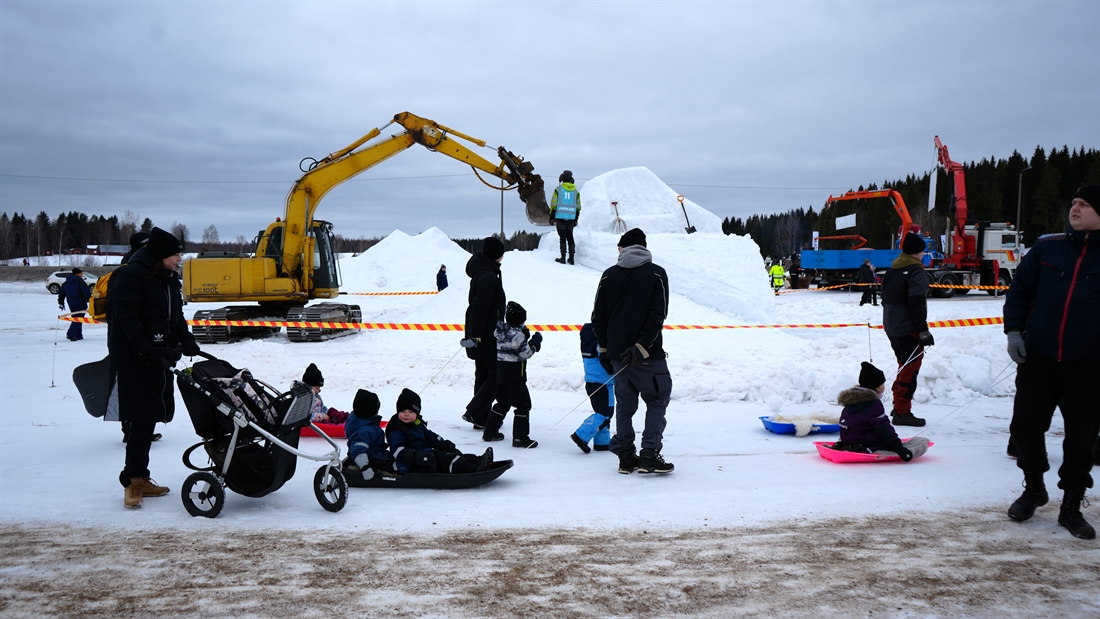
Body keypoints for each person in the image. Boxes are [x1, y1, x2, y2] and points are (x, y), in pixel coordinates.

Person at [1003, 183, 1100, 540]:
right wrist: (1014, 331)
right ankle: (1034, 489)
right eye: (1073, 202)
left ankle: (1072, 505)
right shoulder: (1048, 247)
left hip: (1088, 363)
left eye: (1085, 204)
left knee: (1081, 438)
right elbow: (1019, 291)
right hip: (1039, 357)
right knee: (1025, 427)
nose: (1075, 209)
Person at [107, 227, 199, 508]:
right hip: (135, 358)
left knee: (151, 415)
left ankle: (140, 476)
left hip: (160, 355)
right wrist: (144, 348)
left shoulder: (168, 279)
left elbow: (176, 315)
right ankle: (134, 481)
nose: (179, 258)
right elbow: (126, 317)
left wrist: (186, 339)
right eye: (175, 254)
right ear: (159, 255)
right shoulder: (128, 276)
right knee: (140, 418)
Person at [591, 228, 674, 475]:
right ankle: (649, 454)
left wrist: (605, 350)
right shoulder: (657, 274)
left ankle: (626, 458)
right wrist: (640, 347)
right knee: (657, 400)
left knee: (625, 405)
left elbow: (598, 317)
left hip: (618, 355)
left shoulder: (608, 275)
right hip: (648, 355)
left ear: (623, 249)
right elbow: (658, 315)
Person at [880, 232, 934, 427]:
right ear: (918, 252)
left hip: (892, 326)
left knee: (904, 366)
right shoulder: (916, 271)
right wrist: (923, 330)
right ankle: (903, 411)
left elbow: (884, 297)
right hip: (908, 328)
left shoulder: (892, 270)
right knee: (910, 370)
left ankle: (898, 405)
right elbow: (915, 302)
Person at [831, 361, 929, 460]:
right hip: (867, 443)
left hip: (849, 440)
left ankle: (853, 446)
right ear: (877, 386)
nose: (884, 386)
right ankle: (864, 448)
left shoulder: (851, 401)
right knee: (918, 441)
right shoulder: (872, 403)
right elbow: (884, 427)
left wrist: (842, 441)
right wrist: (899, 448)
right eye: (882, 383)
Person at [385, 388, 493, 474]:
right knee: (443, 458)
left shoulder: (417, 424)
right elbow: (397, 451)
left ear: (417, 413)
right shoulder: (396, 429)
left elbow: (430, 437)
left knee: (451, 453)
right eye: (403, 411)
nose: (406, 414)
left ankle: (476, 461)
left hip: (425, 457)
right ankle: (471, 469)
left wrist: (444, 444)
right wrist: (416, 456)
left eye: (410, 411)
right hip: (410, 465)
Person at [459, 237, 507, 430]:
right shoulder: (488, 275)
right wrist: (476, 336)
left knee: (484, 373)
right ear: (498, 255)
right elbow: (479, 307)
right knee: (497, 375)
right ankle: (475, 412)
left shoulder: (486, 271)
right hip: (486, 333)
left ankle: (481, 416)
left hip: (485, 330)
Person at [483, 301, 543, 448]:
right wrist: (535, 343)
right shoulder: (517, 335)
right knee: (523, 405)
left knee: (503, 403)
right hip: (515, 375)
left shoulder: (501, 332)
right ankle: (520, 438)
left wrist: (524, 337)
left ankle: (489, 432)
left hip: (501, 373)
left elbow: (510, 344)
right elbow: (525, 353)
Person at [570, 323, 613, 454]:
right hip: (603, 381)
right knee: (605, 413)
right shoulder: (600, 341)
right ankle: (581, 435)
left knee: (601, 411)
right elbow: (605, 359)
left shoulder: (587, 340)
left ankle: (602, 442)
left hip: (592, 381)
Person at [344, 388, 397, 480]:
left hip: (375, 454)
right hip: (371, 459)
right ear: (370, 411)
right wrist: (365, 468)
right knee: (394, 465)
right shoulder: (366, 430)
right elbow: (358, 450)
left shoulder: (366, 424)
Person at [550, 170, 581, 265]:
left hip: (560, 217)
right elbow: (578, 207)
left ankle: (563, 258)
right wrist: (576, 219)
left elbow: (553, 204)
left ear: (561, 179)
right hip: (571, 218)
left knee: (562, 237)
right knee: (570, 237)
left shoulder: (558, 190)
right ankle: (571, 259)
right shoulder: (576, 192)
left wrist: (551, 216)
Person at [58, 267, 91, 341]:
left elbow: (61, 293)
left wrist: (61, 302)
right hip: (80, 301)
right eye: (81, 274)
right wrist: (89, 298)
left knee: (76, 317)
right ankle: (71, 334)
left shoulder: (66, 282)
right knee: (79, 317)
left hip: (70, 301)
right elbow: (85, 291)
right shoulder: (80, 281)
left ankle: (78, 335)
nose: (82, 275)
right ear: (78, 274)